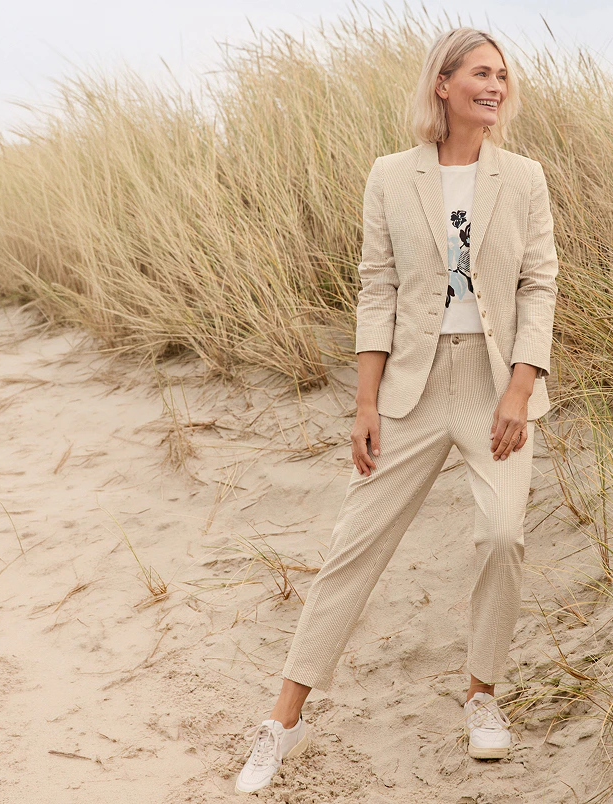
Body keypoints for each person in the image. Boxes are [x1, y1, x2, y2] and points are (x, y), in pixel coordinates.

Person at [235, 26, 559, 794]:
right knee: (354, 547)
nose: (496, 85)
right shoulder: (390, 175)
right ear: (442, 84)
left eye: (502, 75)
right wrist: (366, 401)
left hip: (494, 388)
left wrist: (520, 385)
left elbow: (538, 284)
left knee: (504, 533)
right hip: (409, 390)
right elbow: (374, 286)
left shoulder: (524, 177)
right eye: (480, 72)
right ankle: (281, 721)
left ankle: (482, 697)